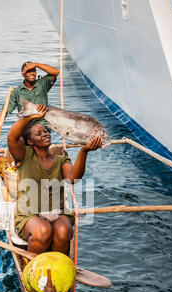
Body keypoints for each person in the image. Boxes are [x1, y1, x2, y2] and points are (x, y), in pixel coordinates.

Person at [7, 105, 102, 256]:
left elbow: (73, 178)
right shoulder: (24, 154)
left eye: (45, 131)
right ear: (30, 142)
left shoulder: (60, 157)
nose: (45, 134)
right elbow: (12, 137)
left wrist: (84, 151)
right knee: (43, 231)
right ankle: (35, 271)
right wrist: (32, 116)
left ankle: (57, 268)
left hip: (58, 212)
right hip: (29, 215)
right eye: (38, 134)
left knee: (64, 231)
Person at [0, 62, 59, 147]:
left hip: (42, 124)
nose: (32, 73)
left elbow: (55, 72)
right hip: (25, 126)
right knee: (17, 139)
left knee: (37, 133)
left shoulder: (42, 84)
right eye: (28, 71)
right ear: (23, 74)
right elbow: (4, 112)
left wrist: (37, 65)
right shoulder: (17, 91)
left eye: (34, 70)